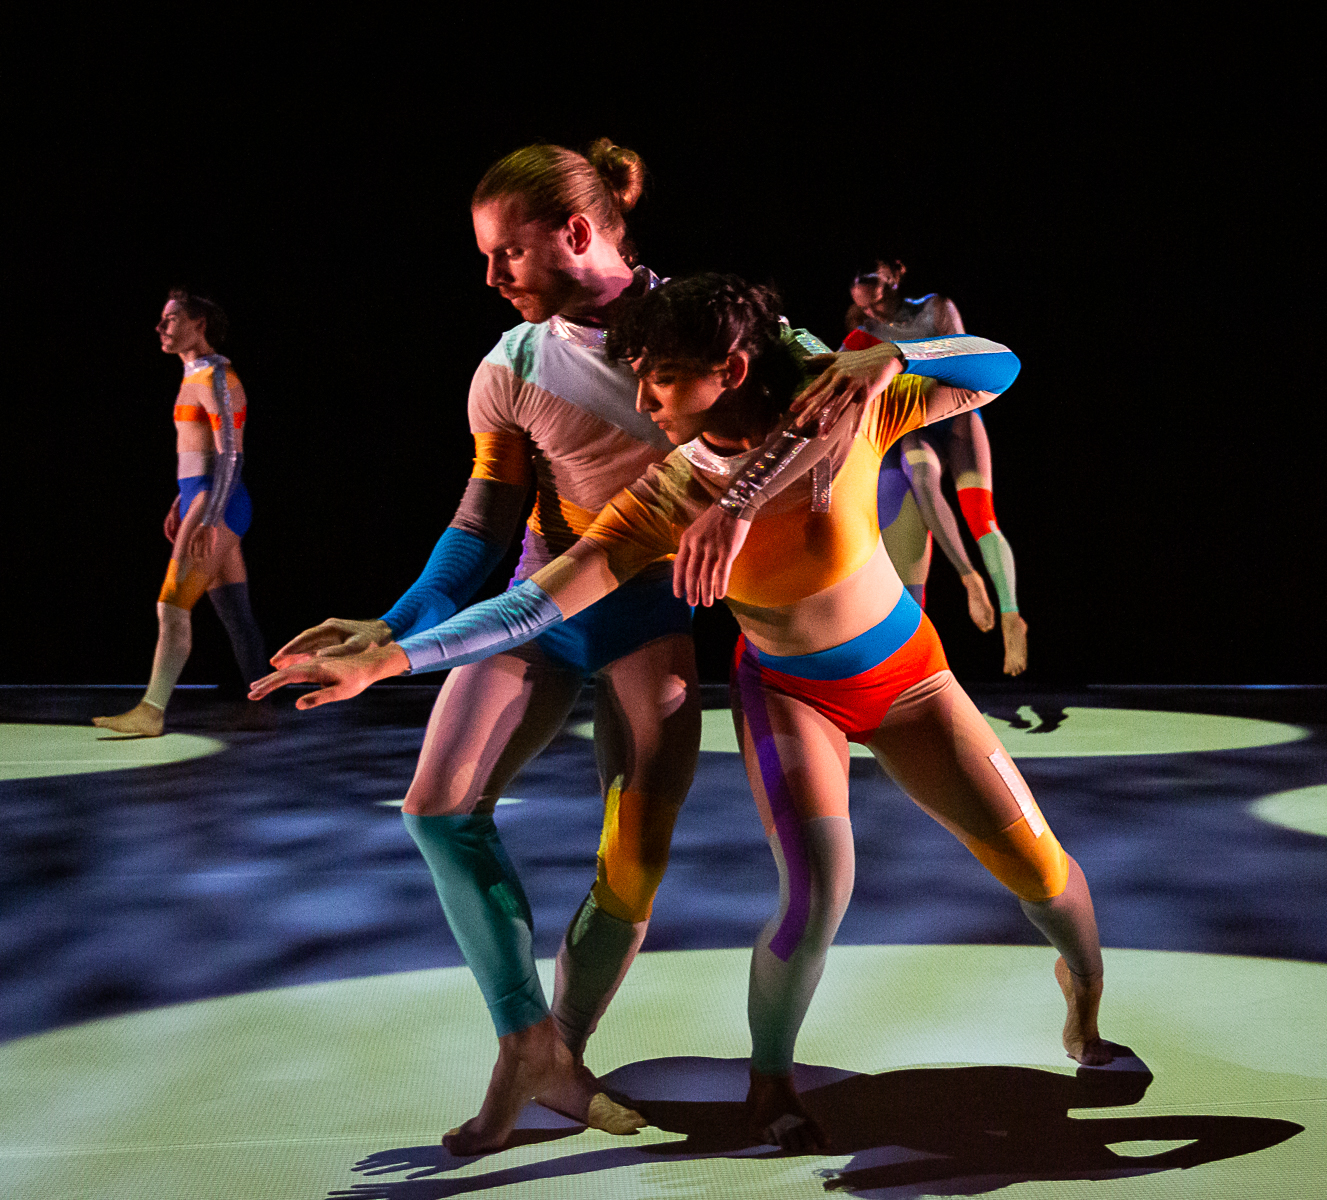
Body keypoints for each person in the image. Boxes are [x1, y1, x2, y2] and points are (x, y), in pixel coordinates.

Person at [254, 274, 1112, 1154]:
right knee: (819, 891)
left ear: (730, 370)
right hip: (789, 694)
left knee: (1045, 875)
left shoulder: (847, 405)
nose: (642, 404)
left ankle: (1082, 996)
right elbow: (533, 605)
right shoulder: (667, 493)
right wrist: (394, 656)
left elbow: (999, 365)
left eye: (659, 379)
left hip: (913, 681)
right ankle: (770, 1081)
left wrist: (892, 354)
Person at [94, 291, 270, 737]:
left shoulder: (217, 376)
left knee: (172, 606)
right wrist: (180, 499)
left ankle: (151, 711)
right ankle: (264, 705)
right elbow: (200, 451)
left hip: (215, 502)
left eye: (171, 319)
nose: (161, 327)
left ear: (199, 325)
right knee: (235, 612)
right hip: (202, 497)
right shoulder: (194, 375)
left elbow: (231, 455)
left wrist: (208, 516)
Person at [844, 260, 1027, 675]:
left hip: (957, 416)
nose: (864, 293)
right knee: (921, 479)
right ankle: (968, 577)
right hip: (917, 421)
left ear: (893, 276)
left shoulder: (934, 308)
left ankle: (1011, 614)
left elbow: (963, 359)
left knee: (980, 514)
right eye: (857, 285)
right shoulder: (862, 331)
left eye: (870, 280)